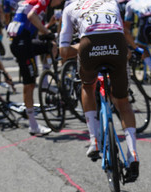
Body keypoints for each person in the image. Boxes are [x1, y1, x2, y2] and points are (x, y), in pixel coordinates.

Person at [59, 0, 141, 182]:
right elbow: (121, 33)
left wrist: (82, 46)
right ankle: (133, 153)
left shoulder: (70, 8)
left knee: (88, 86)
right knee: (123, 102)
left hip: (89, 45)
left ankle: (94, 140)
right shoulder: (111, 2)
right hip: (117, 44)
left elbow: (64, 52)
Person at [5, 0, 58, 136]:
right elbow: (31, 16)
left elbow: (36, 28)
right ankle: (33, 125)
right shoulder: (43, 1)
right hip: (22, 44)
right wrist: (48, 31)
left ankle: (45, 81)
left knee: (51, 46)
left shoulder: (31, 2)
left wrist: (48, 27)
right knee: (29, 85)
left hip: (23, 41)